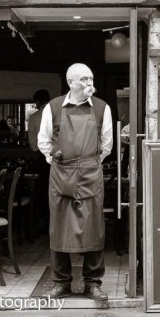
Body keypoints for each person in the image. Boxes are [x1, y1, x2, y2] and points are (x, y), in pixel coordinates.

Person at [38, 63, 112, 301]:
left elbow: (106, 145)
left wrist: (87, 164)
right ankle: (61, 283)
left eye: (91, 78)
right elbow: (44, 141)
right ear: (71, 82)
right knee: (59, 228)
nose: (89, 83)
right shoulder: (53, 107)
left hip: (90, 175)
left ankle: (93, 283)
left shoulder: (102, 108)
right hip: (61, 177)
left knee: (94, 229)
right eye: (84, 79)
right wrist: (60, 162)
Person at [27, 89, 51, 235]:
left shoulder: (35, 118)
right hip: (62, 159)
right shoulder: (59, 114)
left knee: (43, 192)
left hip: (44, 158)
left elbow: (33, 145)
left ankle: (43, 222)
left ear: (37, 102)